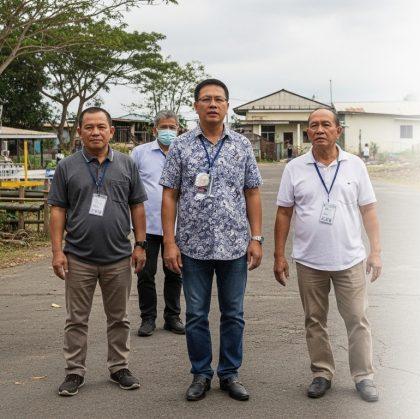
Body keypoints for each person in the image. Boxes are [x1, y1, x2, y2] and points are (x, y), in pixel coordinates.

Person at [160, 79, 263, 402]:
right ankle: (201, 374)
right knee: (195, 315)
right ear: (196, 106)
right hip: (192, 246)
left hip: (234, 245)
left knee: (233, 314)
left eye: (219, 99)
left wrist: (256, 237)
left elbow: (252, 191)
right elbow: (169, 195)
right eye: (206, 99)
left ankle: (230, 373)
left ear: (228, 105)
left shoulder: (242, 145)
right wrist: (169, 242)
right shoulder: (181, 145)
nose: (213, 104)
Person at [274, 108, 383, 402]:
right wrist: (278, 255)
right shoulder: (295, 168)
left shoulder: (355, 165)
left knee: (357, 318)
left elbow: (368, 210)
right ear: (308, 133)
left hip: (350, 259)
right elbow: (284, 213)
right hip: (310, 260)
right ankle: (322, 373)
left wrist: (376, 251)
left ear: (338, 130)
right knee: (314, 319)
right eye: (313, 126)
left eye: (325, 124)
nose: (319, 129)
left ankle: (364, 376)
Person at [48, 106, 148, 396]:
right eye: (89, 127)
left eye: (101, 127)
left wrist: (139, 244)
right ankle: (74, 372)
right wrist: (57, 251)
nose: (95, 132)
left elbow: (137, 206)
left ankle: (119, 367)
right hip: (78, 257)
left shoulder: (127, 165)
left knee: (119, 318)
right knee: (76, 320)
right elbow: (58, 211)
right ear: (79, 131)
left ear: (111, 131)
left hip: (118, 256)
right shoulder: (67, 166)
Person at [130, 110, 184, 337]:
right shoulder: (139, 154)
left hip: (178, 224)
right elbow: (130, 188)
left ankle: (172, 317)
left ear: (179, 129)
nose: (169, 132)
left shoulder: (185, 152)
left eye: (173, 127)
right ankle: (148, 318)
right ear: (155, 130)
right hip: (148, 225)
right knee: (145, 273)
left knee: (175, 271)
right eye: (164, 127)